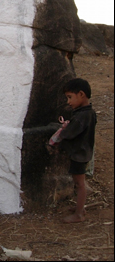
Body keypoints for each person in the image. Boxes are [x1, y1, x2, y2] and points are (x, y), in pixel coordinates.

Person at [56, 78, 97, 223]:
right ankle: (80, 207)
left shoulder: (81, 116)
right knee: (78, 182)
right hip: (84, 151)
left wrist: (62, 131)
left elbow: (68, 134)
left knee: (80, 184)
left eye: (70, 97)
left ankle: (79, 214)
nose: (68, 102)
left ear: (81, 94)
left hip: (79, 154)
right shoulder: (89, 112)